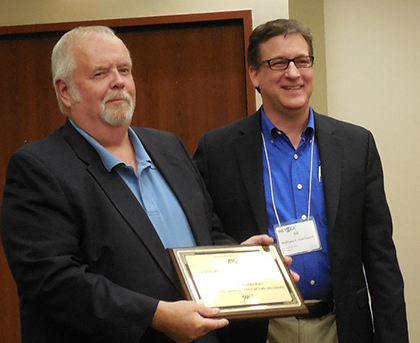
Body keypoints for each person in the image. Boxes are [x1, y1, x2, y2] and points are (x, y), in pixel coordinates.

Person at [0, 26, 274, 343]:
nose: (118, 81)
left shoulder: (168, 148)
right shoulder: (39, 168)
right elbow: (55, 282)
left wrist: (236, 259)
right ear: (65, 91)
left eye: (125, 70)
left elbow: (207, 233)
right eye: (101, 73)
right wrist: (155, 316)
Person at [193, 19, 409, 343]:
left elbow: (381, 259)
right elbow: (203, 237)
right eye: (278, 63)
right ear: (254, 74)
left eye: (302, 61)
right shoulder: (218, 150)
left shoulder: (355, 145)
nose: (293, 73)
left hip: (341, 327)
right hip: (259, 329)